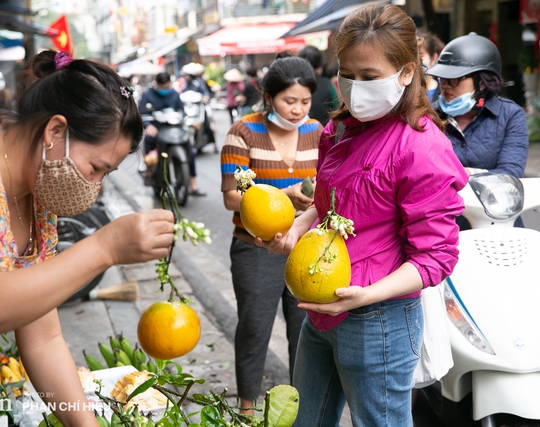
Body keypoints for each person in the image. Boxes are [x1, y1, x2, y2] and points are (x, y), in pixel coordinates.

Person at [0, 50, 175, 426]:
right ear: (55, 132)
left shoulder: (37, 201)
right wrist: (104, 248)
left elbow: (43, 339)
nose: (93, 188)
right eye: (96, 168)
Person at [256, 5, 468, 426]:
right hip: (319, 311)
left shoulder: (421, 148)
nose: (355, 88)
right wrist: (296, 230)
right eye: (347, 75)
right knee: (303, 420)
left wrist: (366, 295)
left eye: (369, 77)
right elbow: (326, 206)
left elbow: (436, 257)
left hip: (378, 321)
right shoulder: (340, 128)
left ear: (406, 72)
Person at [220, 56, 323, 414]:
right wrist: (282, 195)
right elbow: (232, 196)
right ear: (268, 97)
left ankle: (299, 407)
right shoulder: (244, 131)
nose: (297, 110)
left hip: (305, 248)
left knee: (306, 334)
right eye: (288, 101)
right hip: (255, 250)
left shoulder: (318, 131)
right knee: (254, 328)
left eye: (304, 102)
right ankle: (247, 407)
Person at [427, 32, 528, 230]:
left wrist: (462, 174)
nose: (446, 85)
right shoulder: (428, 116)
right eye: (443, 78)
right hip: (441, 226)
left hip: (497, 224)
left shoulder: (510, 116)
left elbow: (509, 174)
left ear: (482, 81)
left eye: (454, 78)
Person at [139, 72, 206, 196]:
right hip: (157, 128)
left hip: (175, 127)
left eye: (166, 86)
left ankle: (193, 185)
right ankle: (149, 172)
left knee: (190, 151)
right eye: (162, 87)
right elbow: (142, 114)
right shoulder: (147, 95)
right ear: (157, 84)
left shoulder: (174, 93)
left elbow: (182, 110)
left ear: (169, 83)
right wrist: (148, 125)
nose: (164, 89)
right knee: (148, 139)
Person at [298, 45, 339, 125]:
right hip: (324, 133)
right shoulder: (328, 84)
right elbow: (336, 109)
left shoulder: (293, 84)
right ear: (320, 66)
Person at [417, 29, 445, 100]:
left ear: (433, 58)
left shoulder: (444, 91)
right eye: (412, 55)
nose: (415, 61)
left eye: (421, 56)